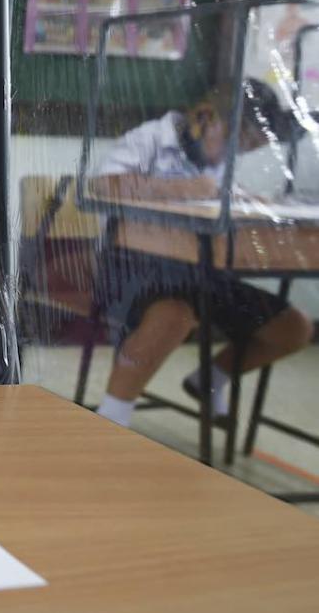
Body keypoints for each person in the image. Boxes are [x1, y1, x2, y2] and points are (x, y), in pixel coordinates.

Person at [89, 78, 312, 427]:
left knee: (293, 327)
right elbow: (101, 185)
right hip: (130, 267)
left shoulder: (216, 161)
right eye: (232, 141)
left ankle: (211, 380)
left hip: (200, 271)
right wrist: (183, 188)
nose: (231, 154)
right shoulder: (150, 138)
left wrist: (255, 203)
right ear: (205, 116)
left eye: (244, 149)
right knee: (174, 315)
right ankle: (112, 416)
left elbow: (219, 197)